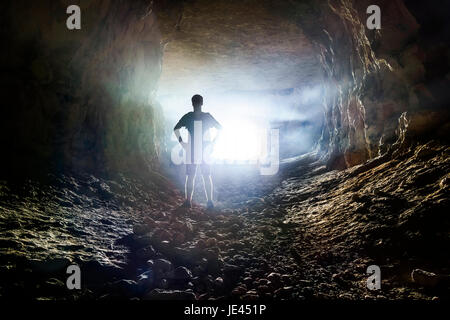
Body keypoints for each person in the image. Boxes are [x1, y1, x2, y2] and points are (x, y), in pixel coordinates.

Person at [174, 94, 222, 209]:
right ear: (202, 103)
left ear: (192, 103)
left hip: (191, 150)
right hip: (205, 151)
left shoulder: (188, 117)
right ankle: (209, 202)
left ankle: (188, 201)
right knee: (206, 176)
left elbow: (176, 129)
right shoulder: (207, 117)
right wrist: (213, 143)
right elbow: (220, 128)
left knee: (190, 176)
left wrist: (182, 143)